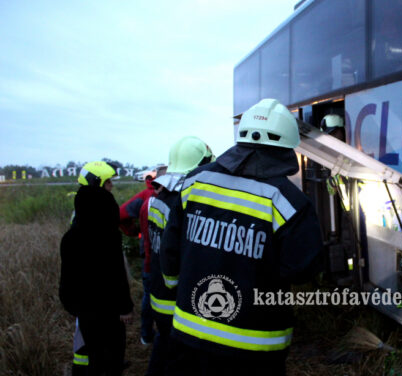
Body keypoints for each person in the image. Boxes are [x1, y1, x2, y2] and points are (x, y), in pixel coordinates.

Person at [160, 99, 323, 375]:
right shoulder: (289, 203)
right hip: (255, 345)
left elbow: (170, 249)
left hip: (190, 332)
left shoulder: (194, 182)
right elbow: (301, 269)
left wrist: (177, 285)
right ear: (287, 146)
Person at [145, 136, 215, 376]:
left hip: (158, 295)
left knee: (163, 347)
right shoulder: (181, 201)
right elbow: (178, 252)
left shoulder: (159, 198)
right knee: (179, 361)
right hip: (175, 301)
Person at [59, 161, 133, 376]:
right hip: (104, 308)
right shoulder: (105, 231)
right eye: (108, 182)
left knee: (89, 349)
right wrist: (125, 306)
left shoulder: (73, 231)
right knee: (106, 357)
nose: (112, 186)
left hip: (84, 307)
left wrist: (75, 305)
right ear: (97, 183)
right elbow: (114, 272)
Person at [119, 174, 157, 345]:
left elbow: (121, 215)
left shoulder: (145, 196)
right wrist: (134, 232)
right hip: (159, 254)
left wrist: (134, 232)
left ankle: (146, 335)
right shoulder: (148, 196)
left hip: (148, 254)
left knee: (149, 293)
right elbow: (120, 215)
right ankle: (149, 334)